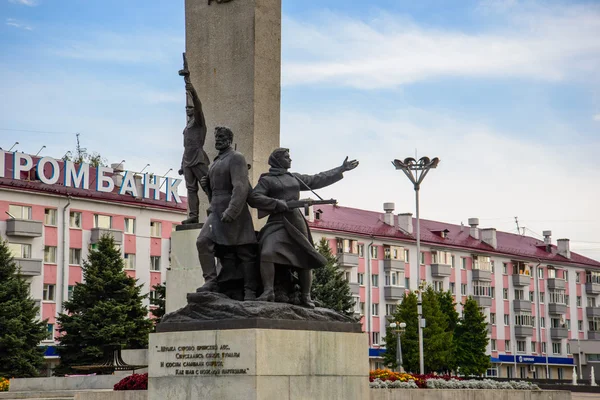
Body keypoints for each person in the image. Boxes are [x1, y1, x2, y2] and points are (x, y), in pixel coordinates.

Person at [249, 148, 359, 308]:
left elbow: (317, 179)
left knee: (304, 257)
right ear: (278, 160)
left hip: (295, 221)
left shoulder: (294, 177)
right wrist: (277, 203)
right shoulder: (267, 180)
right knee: (267, 252)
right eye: (287, 157)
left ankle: (306, 296)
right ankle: (268, 291)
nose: (290, 160)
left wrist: (340, 169)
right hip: (277, 220)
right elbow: (254, 197)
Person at [195, 127, 258, 301]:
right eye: (216, 137)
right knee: (203, 241)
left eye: (221, 137)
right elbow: (214, 192)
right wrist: (206, 184)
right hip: (216, 210)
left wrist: (233, 209)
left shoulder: (236, 157)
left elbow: (240, 186)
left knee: (244, 251)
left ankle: (250, 291)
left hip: (233, 211)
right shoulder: (216, 161)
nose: (218, 140)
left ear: (229, 139)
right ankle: (211, 281)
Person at [178, 77, 210, 224]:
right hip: (187, 159)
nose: (187, 109)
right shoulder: (188, 125)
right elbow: (186, 146)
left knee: (208, 185)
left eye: (190, 108)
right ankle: (193, 215)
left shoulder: (198, 122)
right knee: (191, 189)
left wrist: (191, 88)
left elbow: (198, 105)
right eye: (186, 108)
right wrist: (181, 165)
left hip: (198, 158)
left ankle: (215, 209)